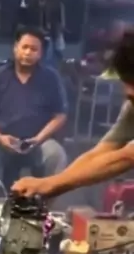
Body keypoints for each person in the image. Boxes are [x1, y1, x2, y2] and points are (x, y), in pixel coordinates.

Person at [13, 29, 134, 200]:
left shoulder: (50, 78)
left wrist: (53, 184)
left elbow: (126, 157)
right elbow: (99, 153)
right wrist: (51, 184)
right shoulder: (132, 106)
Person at [0, 27, 68, 188]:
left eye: (34, 49)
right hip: (0, 140)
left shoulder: (50, 78)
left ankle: (45, 200)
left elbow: (60, 115)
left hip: (38, 142)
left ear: (40, 54)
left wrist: (38, 139)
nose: (28, 52)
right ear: (15, 48)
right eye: (24, 47)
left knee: (56, 155)